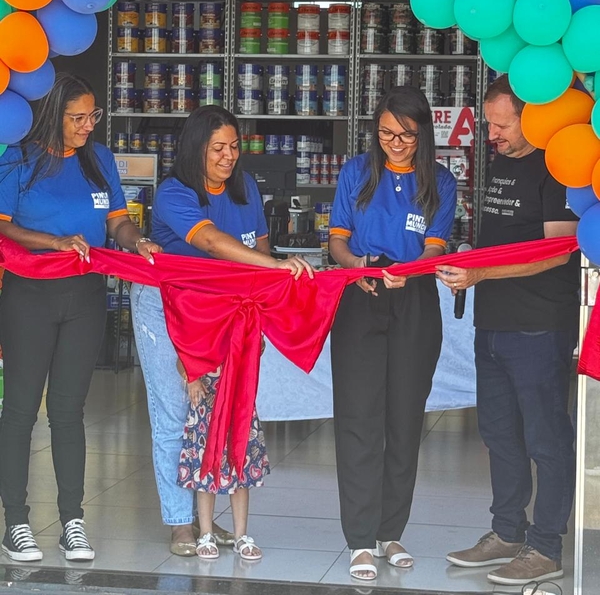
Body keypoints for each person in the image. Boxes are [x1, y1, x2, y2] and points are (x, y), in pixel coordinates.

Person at [130, 105, 313, 560]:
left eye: (234, 147)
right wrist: (272, 265)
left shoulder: (244, 186)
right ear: (197, 149)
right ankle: (180, 522)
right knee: (176, 414)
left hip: (226, 312)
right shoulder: (175, 192)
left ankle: (209, 523)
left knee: (223, 414)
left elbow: (259, 247)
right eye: (218, 149)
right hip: (166, 309)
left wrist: (266, 305)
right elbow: (210, 241)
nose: (229, 156)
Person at [0, 73, 160, 564]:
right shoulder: (18, 159)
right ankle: (16, 522)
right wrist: (55, 243)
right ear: (51, 115)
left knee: (70, 411)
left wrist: (138, 242)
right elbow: (3, 227)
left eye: (93, 116)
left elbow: (116, 220)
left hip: (85, 297)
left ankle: (73, 520)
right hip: (29, 293)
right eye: (77, 118)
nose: (87, 125)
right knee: (22, 410)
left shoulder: (99, 160)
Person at [437, 75, 579, 587]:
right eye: (490, 121)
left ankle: (545, 547)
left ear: (531, 117)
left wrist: (479, 273)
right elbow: (501, 241)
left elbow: (557, 250)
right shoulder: (500, 160)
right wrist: (467, 263)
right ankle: (507, 533)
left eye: (501, 124)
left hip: (539, 325)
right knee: (498, 434)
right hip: (493, 320)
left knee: (546, 438)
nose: (491, 132)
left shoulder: (555, 165)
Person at [328, 86, 457, 581]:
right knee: (359, 419)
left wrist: (412, 270)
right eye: (385, 133)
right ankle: (360, 540)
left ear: (423, 132)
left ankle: (390, 531)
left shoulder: (439, 182)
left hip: (415, 299)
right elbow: (337, 239)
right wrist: (357, 264)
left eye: (405, 134)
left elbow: (435, 248)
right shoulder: (357, 172)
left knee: (404, 420)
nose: (395, 142)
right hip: (360, 294)